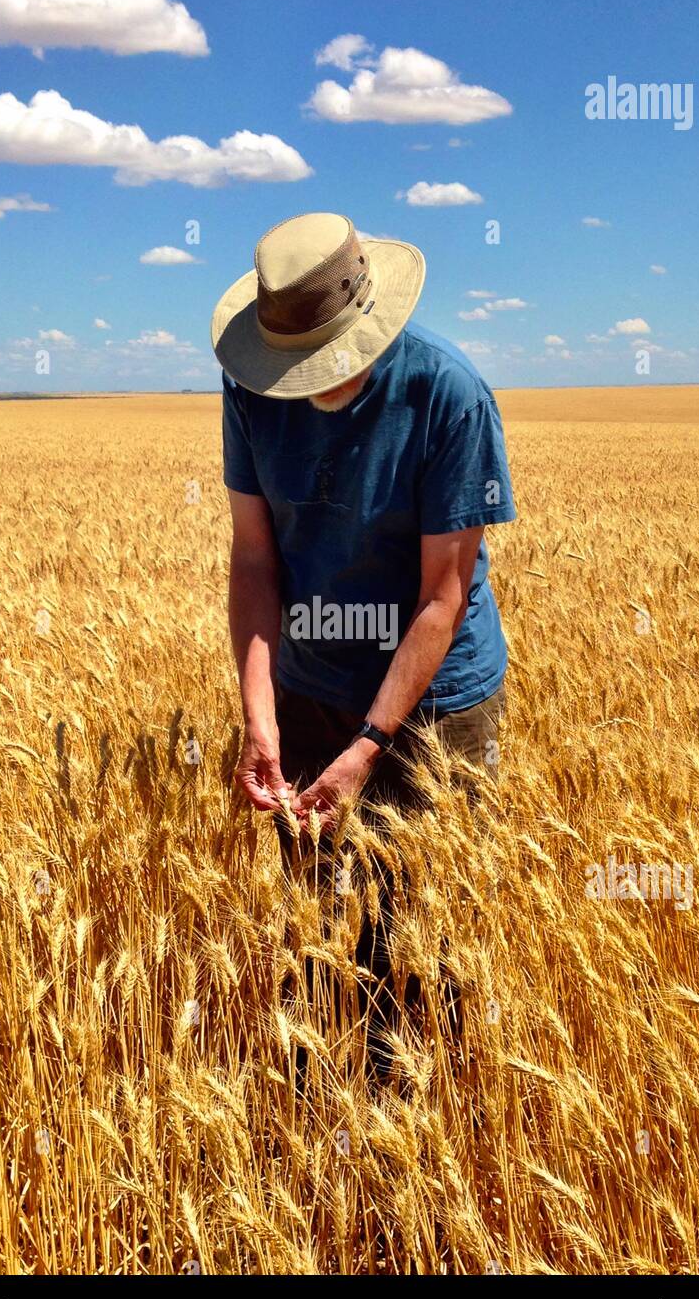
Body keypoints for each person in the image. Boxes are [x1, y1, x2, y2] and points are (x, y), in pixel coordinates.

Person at [212, 211, 516, 1073]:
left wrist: (369, 747)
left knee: (415, 933)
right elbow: (253, 556)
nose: (306, 383)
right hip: (310, 683)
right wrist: (260, 718)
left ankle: (415, 1141)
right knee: (314, 920)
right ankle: (315, 1119)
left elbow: (442, 596)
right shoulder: (247, 390)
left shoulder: (447, 395)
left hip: (434, 703)